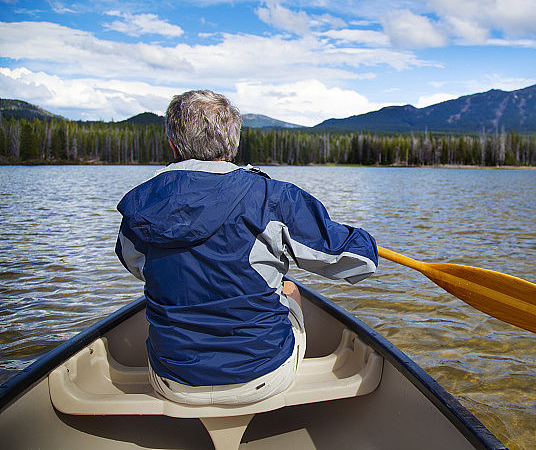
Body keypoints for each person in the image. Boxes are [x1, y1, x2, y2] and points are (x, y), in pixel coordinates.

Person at [115, 90, 378, 405]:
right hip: (262, 376)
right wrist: (362, 239)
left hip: (172, 380)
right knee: (290, 288)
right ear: (232, 144)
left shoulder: (139, 207)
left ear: (172, 145)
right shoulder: (273, 197)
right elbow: (357, 260)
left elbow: (138, 269)